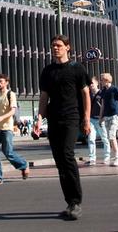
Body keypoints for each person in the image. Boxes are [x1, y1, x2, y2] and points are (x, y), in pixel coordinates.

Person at [36, 34, 91, 221]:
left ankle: (76, 201)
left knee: (67, 155)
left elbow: (85, 94)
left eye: (59, 45)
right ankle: (70, 202)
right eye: (53, 45)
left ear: (68, 47)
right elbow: (44, 97)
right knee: (60, 162)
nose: (55, 48)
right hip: (54, 119)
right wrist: (39, 119)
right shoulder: (47, 71)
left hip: (71, 117)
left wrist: (86, 119)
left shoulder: (77, 68)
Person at [0, 73, 30, 186]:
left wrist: (1, 117)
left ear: (6, 83)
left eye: (0, 81)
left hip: (7, 129)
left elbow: (12, 111)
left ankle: (23, 165)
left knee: (8, 153)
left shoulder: (11, 94)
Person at [87, 76, 110, 166]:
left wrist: (103, 117)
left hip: (101, 119)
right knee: (91, 139)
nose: (91, 85)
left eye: (92, 83)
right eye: (89, 84)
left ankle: (107, 157)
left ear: (97, 83)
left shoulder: (101, 93)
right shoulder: (88, 94)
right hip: (91, 119)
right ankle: (92, 158)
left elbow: (105, 106)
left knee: (105, 139)